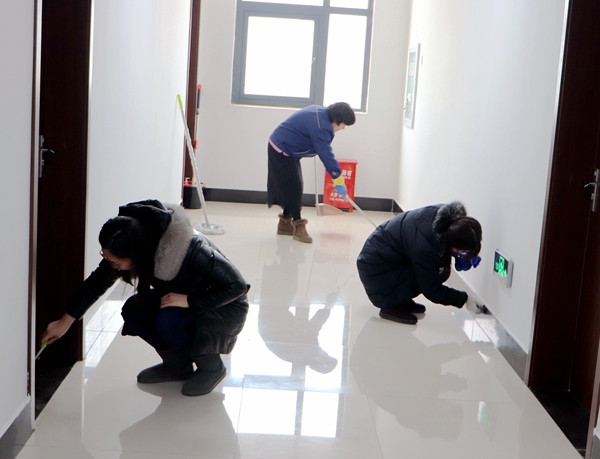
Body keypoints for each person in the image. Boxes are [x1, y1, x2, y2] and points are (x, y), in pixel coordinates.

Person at [41, 199, 250, 396]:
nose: (112, 265)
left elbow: (237, 286)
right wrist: (65, 321)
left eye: (115, 262)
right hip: (183, 299)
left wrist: (189, 300)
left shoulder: (189, 247)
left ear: (136, 254)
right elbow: (98, 282)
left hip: (222, 307)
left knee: (167, 319)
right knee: (134, 310)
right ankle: (177, 365)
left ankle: (211, 367)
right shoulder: (135, 238)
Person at [356, 201, 483, 325]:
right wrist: (465, 299)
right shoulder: (426, 247)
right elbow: (431, 289)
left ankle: (401, 299)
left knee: (440, 271)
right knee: (438, 274)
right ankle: (389, 305)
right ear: (451, 243)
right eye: (461, 251)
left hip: (387, 258)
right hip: (377, 270)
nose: (462, 254)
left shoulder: (446, 220)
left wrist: (462, 254)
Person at [267, 102, 356, 243]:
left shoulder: (321, 113)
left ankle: (284, 224)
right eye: (343, 124)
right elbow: (326, 154)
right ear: (337, 119)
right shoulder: (321, 127)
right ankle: (299, 226)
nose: (343, 128)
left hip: (288, 149)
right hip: (281, 148)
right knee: (294, 187)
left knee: (292, 186)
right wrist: (338, 179)